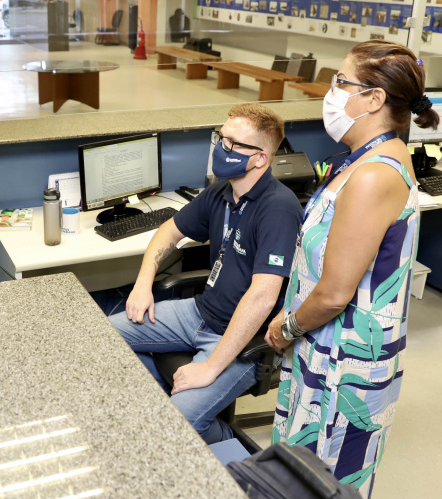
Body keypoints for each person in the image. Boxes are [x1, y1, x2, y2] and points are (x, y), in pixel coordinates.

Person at [265, 40, 438, 497]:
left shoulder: (372, 175)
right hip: (323, 345)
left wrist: (284, 330)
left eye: (342, 82)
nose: (331, 92)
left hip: (343, 360)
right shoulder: (365, 157)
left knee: (323, 479)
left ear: (375, 99)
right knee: (301, 473)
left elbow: (335, 294)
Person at [109, 104, 302, 444]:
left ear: (260, 158)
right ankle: (171, 398)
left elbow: (263, 296)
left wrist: (210, 367)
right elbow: (167, 232)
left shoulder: (278, 208)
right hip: (198, 312)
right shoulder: (221, 191)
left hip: (239, 340)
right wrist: (143, 284)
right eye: (220, 138)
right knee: (101, 338)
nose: (220, 148)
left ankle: (227, 439)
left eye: (231, 143)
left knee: (178, 423)